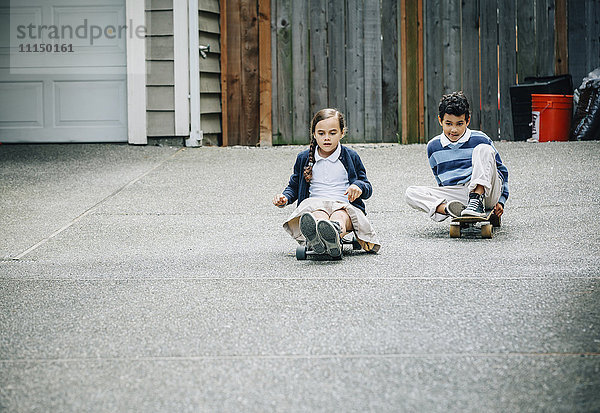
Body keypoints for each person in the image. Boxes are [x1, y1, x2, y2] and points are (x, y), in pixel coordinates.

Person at [273, 108, 381, 257]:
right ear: (314, 134)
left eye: (332, 133)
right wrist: (285, 198)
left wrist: (358, 187)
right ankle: (317, 237)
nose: (327, 138)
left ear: (342, 133)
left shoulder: (351, 156)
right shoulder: (304, 158)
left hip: (343, 205)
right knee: (317, 215)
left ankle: (331, 235)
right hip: (314, 203)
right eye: (321, 133)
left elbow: (366, 186)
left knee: (339, 217)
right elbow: (294, 185)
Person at [405, 91, 509, 222]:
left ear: (468, 121)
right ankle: (449, 209)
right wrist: (447, 199)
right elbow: (441, 181)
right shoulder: (433, 147)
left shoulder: (480, 139)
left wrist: (501, 201)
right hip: (458, 194)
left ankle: (476, 200)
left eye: (459, 124)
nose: (454, 130)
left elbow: (502, 171)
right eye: (449, 124)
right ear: (440, 120)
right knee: (411, 193)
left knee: (483, 149)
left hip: (487, 192)